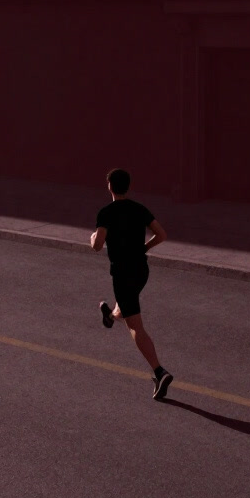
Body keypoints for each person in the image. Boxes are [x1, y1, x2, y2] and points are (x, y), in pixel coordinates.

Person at [90, 169, 173, 400]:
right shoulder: (139, 209)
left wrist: (91, 238)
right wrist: (145, 248)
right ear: (128, 186)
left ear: (109, 186)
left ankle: (159, 371)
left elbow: (97, 245)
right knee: (127, 303)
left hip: (122, 273)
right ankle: (110, 316)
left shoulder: (106, 213)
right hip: (141, 270)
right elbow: (162, 234)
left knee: (134, 325)